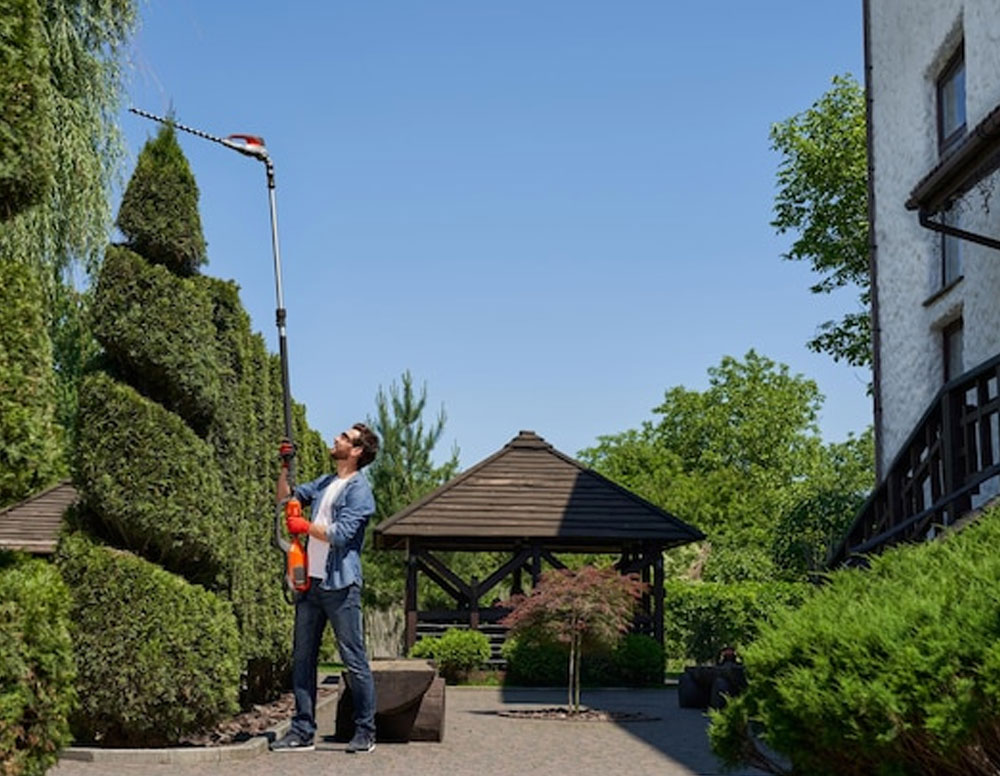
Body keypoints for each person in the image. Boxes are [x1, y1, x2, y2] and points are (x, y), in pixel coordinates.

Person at [270, 423, 380, 754]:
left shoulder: (359, 490)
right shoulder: (326, 483)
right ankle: (302, 730)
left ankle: (365, 730)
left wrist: (305, 526)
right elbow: (285, 498)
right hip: (310, 584)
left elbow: (343, 534)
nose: (337, 438)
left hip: (341, 586)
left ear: (358, 451)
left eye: (345, 438)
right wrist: (285, 467)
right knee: (302, 659)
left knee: (353, 658)